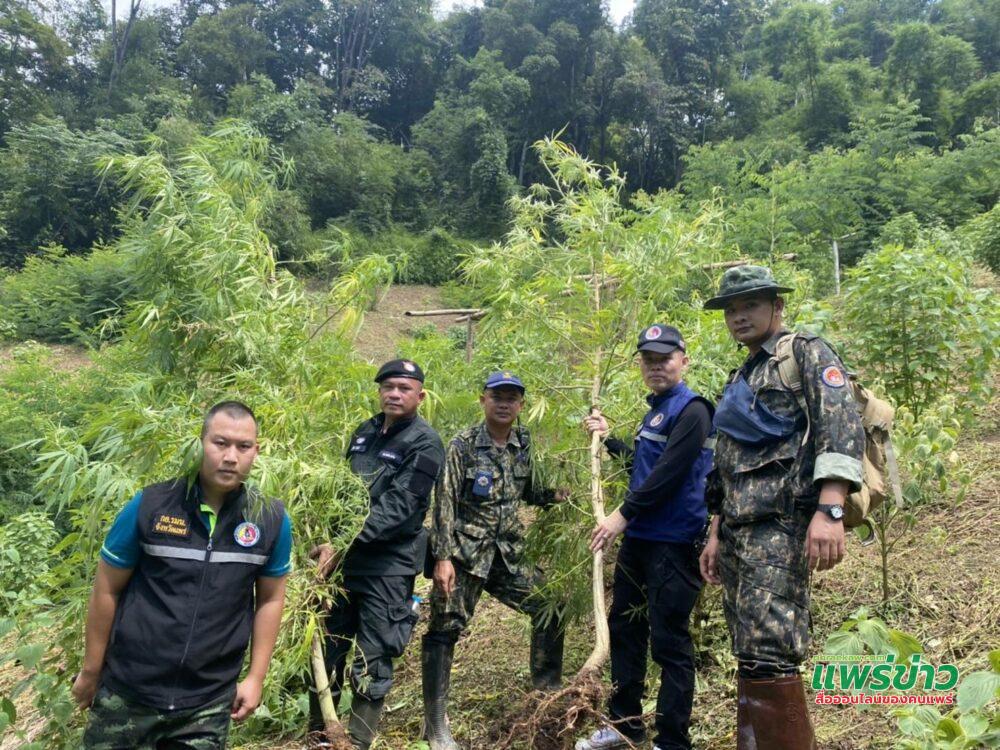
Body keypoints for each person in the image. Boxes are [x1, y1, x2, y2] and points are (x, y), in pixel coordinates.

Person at [698, 266, 865, 749]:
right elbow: (727, 463)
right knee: (750, 652)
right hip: (737, 532)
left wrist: (830, 509)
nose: (738, 316)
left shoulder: (805, 353)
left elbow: (840, 428)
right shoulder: (743, 374)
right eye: (731, 309)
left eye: (750, 304)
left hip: (779, 526)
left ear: (777, 306)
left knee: (772, 651)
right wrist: (715, 531)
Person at [72, 400, 293, 750]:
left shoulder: (270, 520)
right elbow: (106, 588)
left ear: (256, 451)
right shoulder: (150, 505)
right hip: (128, 693)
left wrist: (256, 677)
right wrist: (91, 670)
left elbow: (270, 599)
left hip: (207, 703)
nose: (231, 456)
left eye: (243, 446)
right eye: (220, 443)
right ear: (200, 442)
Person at [576, 325, 715, 750]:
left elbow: (668, 475)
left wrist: (620, 516)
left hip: (674, 542)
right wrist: (609, 439)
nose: (656, 366)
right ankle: (624, 726)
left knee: (669, 641)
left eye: (665, 358)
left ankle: (672, 741)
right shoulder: (656, 410)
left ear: (683, 360)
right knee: (626, 629)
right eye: (648, 359)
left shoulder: (693, 410)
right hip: (641, 540)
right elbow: (644, 464)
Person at [423, 371, 567, 750]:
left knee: (551, 605)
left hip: (508, 555)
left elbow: (529, 490)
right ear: (483, 400)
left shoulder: (523, 443)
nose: (504, 404)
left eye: (512, 398)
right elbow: (444, 502)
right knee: (444, 628)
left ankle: (546, 696)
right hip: (465, 555)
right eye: (497, 396)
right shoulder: (463, 445)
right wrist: (442, 557)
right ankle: (435, 724)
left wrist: (556, 494)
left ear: (521, 405)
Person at [309, 359, 444, 750]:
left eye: (404, 388)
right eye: (388, 387)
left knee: (373, 657)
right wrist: (324, 539)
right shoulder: (363, 432)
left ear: (420, 395)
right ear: (379, 391)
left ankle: (356, 741)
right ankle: (320, 736)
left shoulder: (425, 442)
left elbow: (400, 507)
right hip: (343, 566)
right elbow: (341, 493)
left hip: (388, 567)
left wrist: (340, 542)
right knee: (328, 649)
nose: (395, 394)